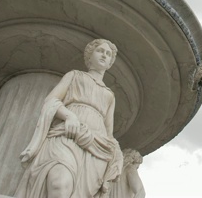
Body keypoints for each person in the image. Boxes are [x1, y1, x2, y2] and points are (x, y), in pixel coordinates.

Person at [16, 39, 123, 198]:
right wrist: (69, 116)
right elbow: (51, 100)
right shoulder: (74, 76)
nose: (104, 55)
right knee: (59, 184)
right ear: (89, 56)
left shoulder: (109, 95)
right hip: (67, 134)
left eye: (108, 54)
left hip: (96, 147)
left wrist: (116, 156)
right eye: (100, 51)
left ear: (110, 63)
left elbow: (109, 133)